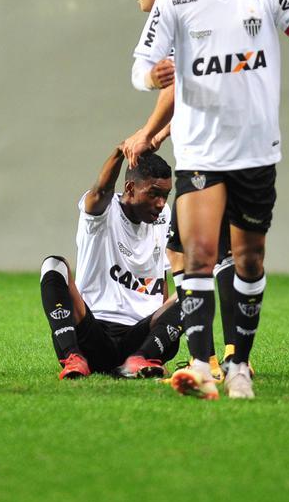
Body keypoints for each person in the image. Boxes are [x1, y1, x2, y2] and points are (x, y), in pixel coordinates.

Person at [128, 0, 289, 399]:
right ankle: (201, 366)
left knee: (248, 261)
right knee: (198, 256)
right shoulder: (177, 3)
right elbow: (139, 66)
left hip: (256, 152)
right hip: (202, 152)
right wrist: (150, 77)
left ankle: (240, 362)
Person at [126, 0, 241, 382]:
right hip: (235, 145)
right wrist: (163, 130)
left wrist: (145, 132)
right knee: (222, 252)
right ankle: (232, 356)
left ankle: (209, 358)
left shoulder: (179, 9)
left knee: (191, 252)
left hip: (209, 156)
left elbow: (173, 82)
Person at [38, 148, 184, 382]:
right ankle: (73, 357)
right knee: (53, 265)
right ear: (129, 188)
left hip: (139, 339)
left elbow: (160, 278)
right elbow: (101, 190)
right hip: (93, 335)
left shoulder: (163, 215)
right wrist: (120, 151)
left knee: (192, 290)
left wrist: (163, 323)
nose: (160, 203)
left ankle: (143, 359)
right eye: (154, 193)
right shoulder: (103, 211)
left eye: (165, 195)